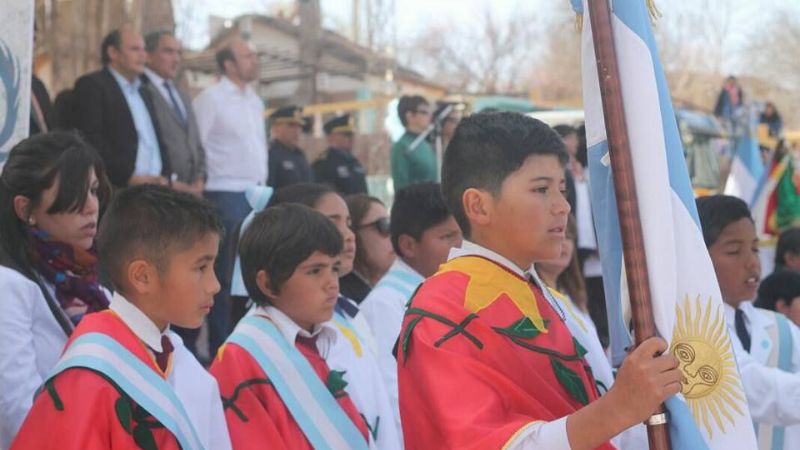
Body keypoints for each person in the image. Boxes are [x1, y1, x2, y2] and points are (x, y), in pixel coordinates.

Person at [398, 112, 682, 449]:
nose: (562, 206)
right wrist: (617, 408)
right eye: (541, 189)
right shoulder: (441, 311)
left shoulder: (545, 297)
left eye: (562, 189)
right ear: (478, 206)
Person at [11, 185, 231, 449]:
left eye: (213, 266)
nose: (214, 285)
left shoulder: (179, 357)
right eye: (201, 268)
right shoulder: (89, 375)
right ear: (142, 276)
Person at [210, 204, 371, 449]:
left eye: (334, 269)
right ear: (269, 284)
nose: (332, 284)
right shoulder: (240, 358)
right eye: (315, 271)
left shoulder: (313, 339)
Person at [265, 183, 402, 448]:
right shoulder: (290, 328)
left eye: (349, 222)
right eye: (332, 222)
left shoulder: (349, 311)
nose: (348, 235)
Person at [0, 132, 111, 448]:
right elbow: (18, 411)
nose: (91, 207)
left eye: (93, 190)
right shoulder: (8, 287)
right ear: (25, 209)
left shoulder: (91, 283)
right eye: (74, 195)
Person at [697, 195, 800, 450]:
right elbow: (748, 386)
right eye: (734, 251)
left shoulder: (782, 328)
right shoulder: (692, 330)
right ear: (697, 256)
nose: (752, 262)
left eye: (754, 248)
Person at [360, 181, 462, 425]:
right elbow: (397, 396)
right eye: (446, 237)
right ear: (408, 245)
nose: (459, 247)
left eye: (461, 235)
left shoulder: (445, 287)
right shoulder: (386, 304)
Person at [192, 38, 266, 357]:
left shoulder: (255, 100)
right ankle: (220, 348)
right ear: (228, 64)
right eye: (246, 56)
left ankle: (245, 343)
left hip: (257, 194)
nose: (254, 60)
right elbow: (198, 146)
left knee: (251, 274)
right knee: (222, 276)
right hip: (224, 193)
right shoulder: (211, 98)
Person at [72, 28, 170, 188]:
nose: (143, 55)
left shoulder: (144, 91)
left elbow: (156, 138)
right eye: (135, 49)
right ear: (113, 53)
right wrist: (128, 177)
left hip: (155, 189)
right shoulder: (93, 85)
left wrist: (166, 174)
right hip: (118, 189)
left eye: (144, 49)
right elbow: (91, 140)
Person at [142, 30, 206, 196]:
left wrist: (200, 178)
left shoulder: (182, 95)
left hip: (191, 192)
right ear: (148, 55)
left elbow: (195, 141)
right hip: (158, 191)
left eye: (179, 53)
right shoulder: (140, 91)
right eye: (168, 51)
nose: (176, 59)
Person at [340, 194, 395, 303]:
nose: (393, 234)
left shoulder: (398, 285)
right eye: (384, 225)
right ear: (353, 232)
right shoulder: (344, 297)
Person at [312, 114, 368, 195]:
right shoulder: (324, 163)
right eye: (346, 135)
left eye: (351, 135)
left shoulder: (354, 162)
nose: (351, 138)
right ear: (331, 136)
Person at [391, 95, 436, 190]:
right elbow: (401, 186)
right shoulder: (402, 146)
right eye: (424, 112)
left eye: (430, 112)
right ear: (410, 116)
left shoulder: (425, 144)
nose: (430, 116)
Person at [268, 105, 313, 190]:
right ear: (276, 128)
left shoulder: (300, 155)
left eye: (299, 126)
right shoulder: (270, 155)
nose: (297, 130)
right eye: (291, 125)